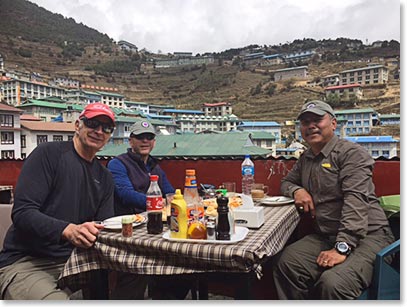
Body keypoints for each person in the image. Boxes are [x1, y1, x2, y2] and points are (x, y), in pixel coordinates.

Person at [273, 100, 394, 300]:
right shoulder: (307, 158)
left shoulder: (351, 154)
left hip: (369, 236)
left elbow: (356, 201)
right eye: (305, 122)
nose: (311, 126)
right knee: (285, 264)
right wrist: (297, 191)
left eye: (317, 120)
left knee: (333, 283)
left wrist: (341, 247)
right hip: (326, 235)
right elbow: (286, 182)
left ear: (333, 124)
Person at [0, 103, 116, 300]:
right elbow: (23, 212)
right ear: (78, 125)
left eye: (106, 128)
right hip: (28, 261)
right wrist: (68, 230)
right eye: (93, 123)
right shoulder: (48, 154)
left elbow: (103, 225)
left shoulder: (104, 177)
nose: (99, 131)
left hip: (76, 261)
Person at [107, 118, 175, 215]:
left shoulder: (155, 166)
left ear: (154, 142)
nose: (145, 141)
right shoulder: (117, 164)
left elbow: (169, 192)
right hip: (129, 222)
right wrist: (158, 202)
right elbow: (125, 194)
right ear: (130, 141)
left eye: (149, 137)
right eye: (140, 137)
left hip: (154, 219)